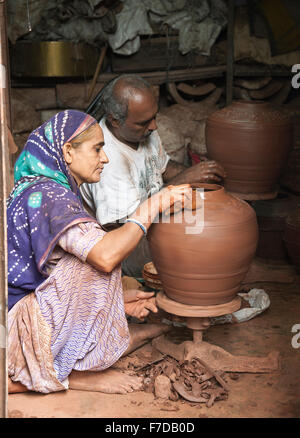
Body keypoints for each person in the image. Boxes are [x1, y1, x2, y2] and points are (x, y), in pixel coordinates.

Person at [7, 109, 191, 395]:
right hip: (16, 329)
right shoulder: (49, 196)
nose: (104, 158)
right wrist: (155, 204)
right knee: (100, 255)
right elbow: (104, 256)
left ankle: (69, 363)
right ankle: (65, 376)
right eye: (98, 148)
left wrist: (114, 301)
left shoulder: (45, 189)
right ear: (68, 151)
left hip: (21, 312)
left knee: (96, 254)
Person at [80, 74, 226, 277]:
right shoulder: (105, 159)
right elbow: (125, 226)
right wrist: (185, 180)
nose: (154, 126)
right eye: (144, 122)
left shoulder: (142, 129)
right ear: (114, 120)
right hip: (126, 242)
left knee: (215, 217)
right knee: (199, 246)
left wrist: (200, 174)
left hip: (154, 221)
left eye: (154, 117)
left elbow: (163, 168)